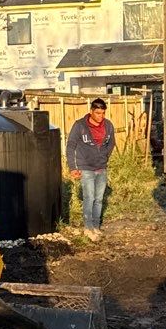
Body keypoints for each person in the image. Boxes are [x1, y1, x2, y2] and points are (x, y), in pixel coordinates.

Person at [66, 97, 116, 237]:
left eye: (103, 113)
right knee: (89, 197)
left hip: (101, 167)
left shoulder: (108, 125)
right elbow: (70, 146)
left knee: (99, 199)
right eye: (98, 113)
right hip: (85, 167)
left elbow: (111, 143)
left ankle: (96, 226)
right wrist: (73, 167)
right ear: (91, 111)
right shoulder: (80, 125)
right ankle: (88, 228)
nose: (101, 116)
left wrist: (105, 156)